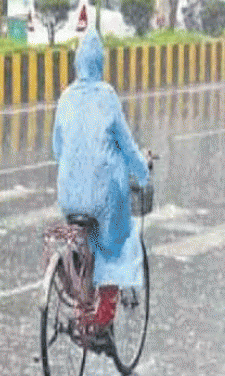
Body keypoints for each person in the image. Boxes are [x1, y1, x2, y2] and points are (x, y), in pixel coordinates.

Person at [51, 28, 151, 331]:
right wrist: (143, 172)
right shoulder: (107, 96)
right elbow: (127, 145)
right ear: (100, 63)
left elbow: (58, 148)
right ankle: (104, 316)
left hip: (69, 197)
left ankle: (82, 308)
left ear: (77, 63)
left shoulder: (66, 97)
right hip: (102, 198)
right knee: (119, 242)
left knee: (84, 242)